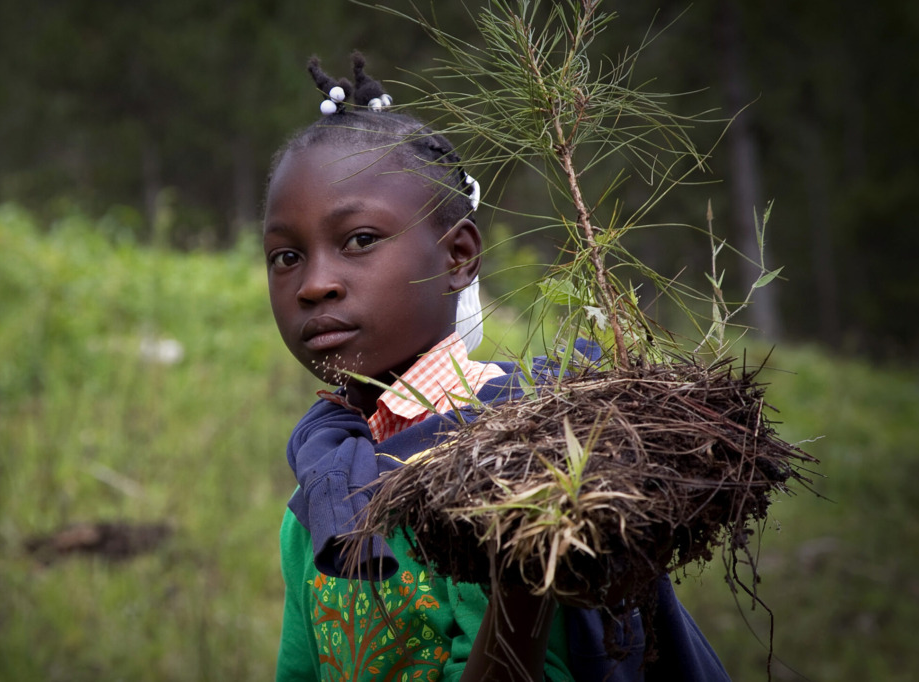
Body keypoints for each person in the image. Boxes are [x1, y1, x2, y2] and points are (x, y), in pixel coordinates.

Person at [264, 53, 729, 682]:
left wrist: (524, 560)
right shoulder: (320, 492)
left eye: (361, 241)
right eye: (287, 256)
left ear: (458, 256)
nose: (314, 284)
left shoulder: (518, 447)